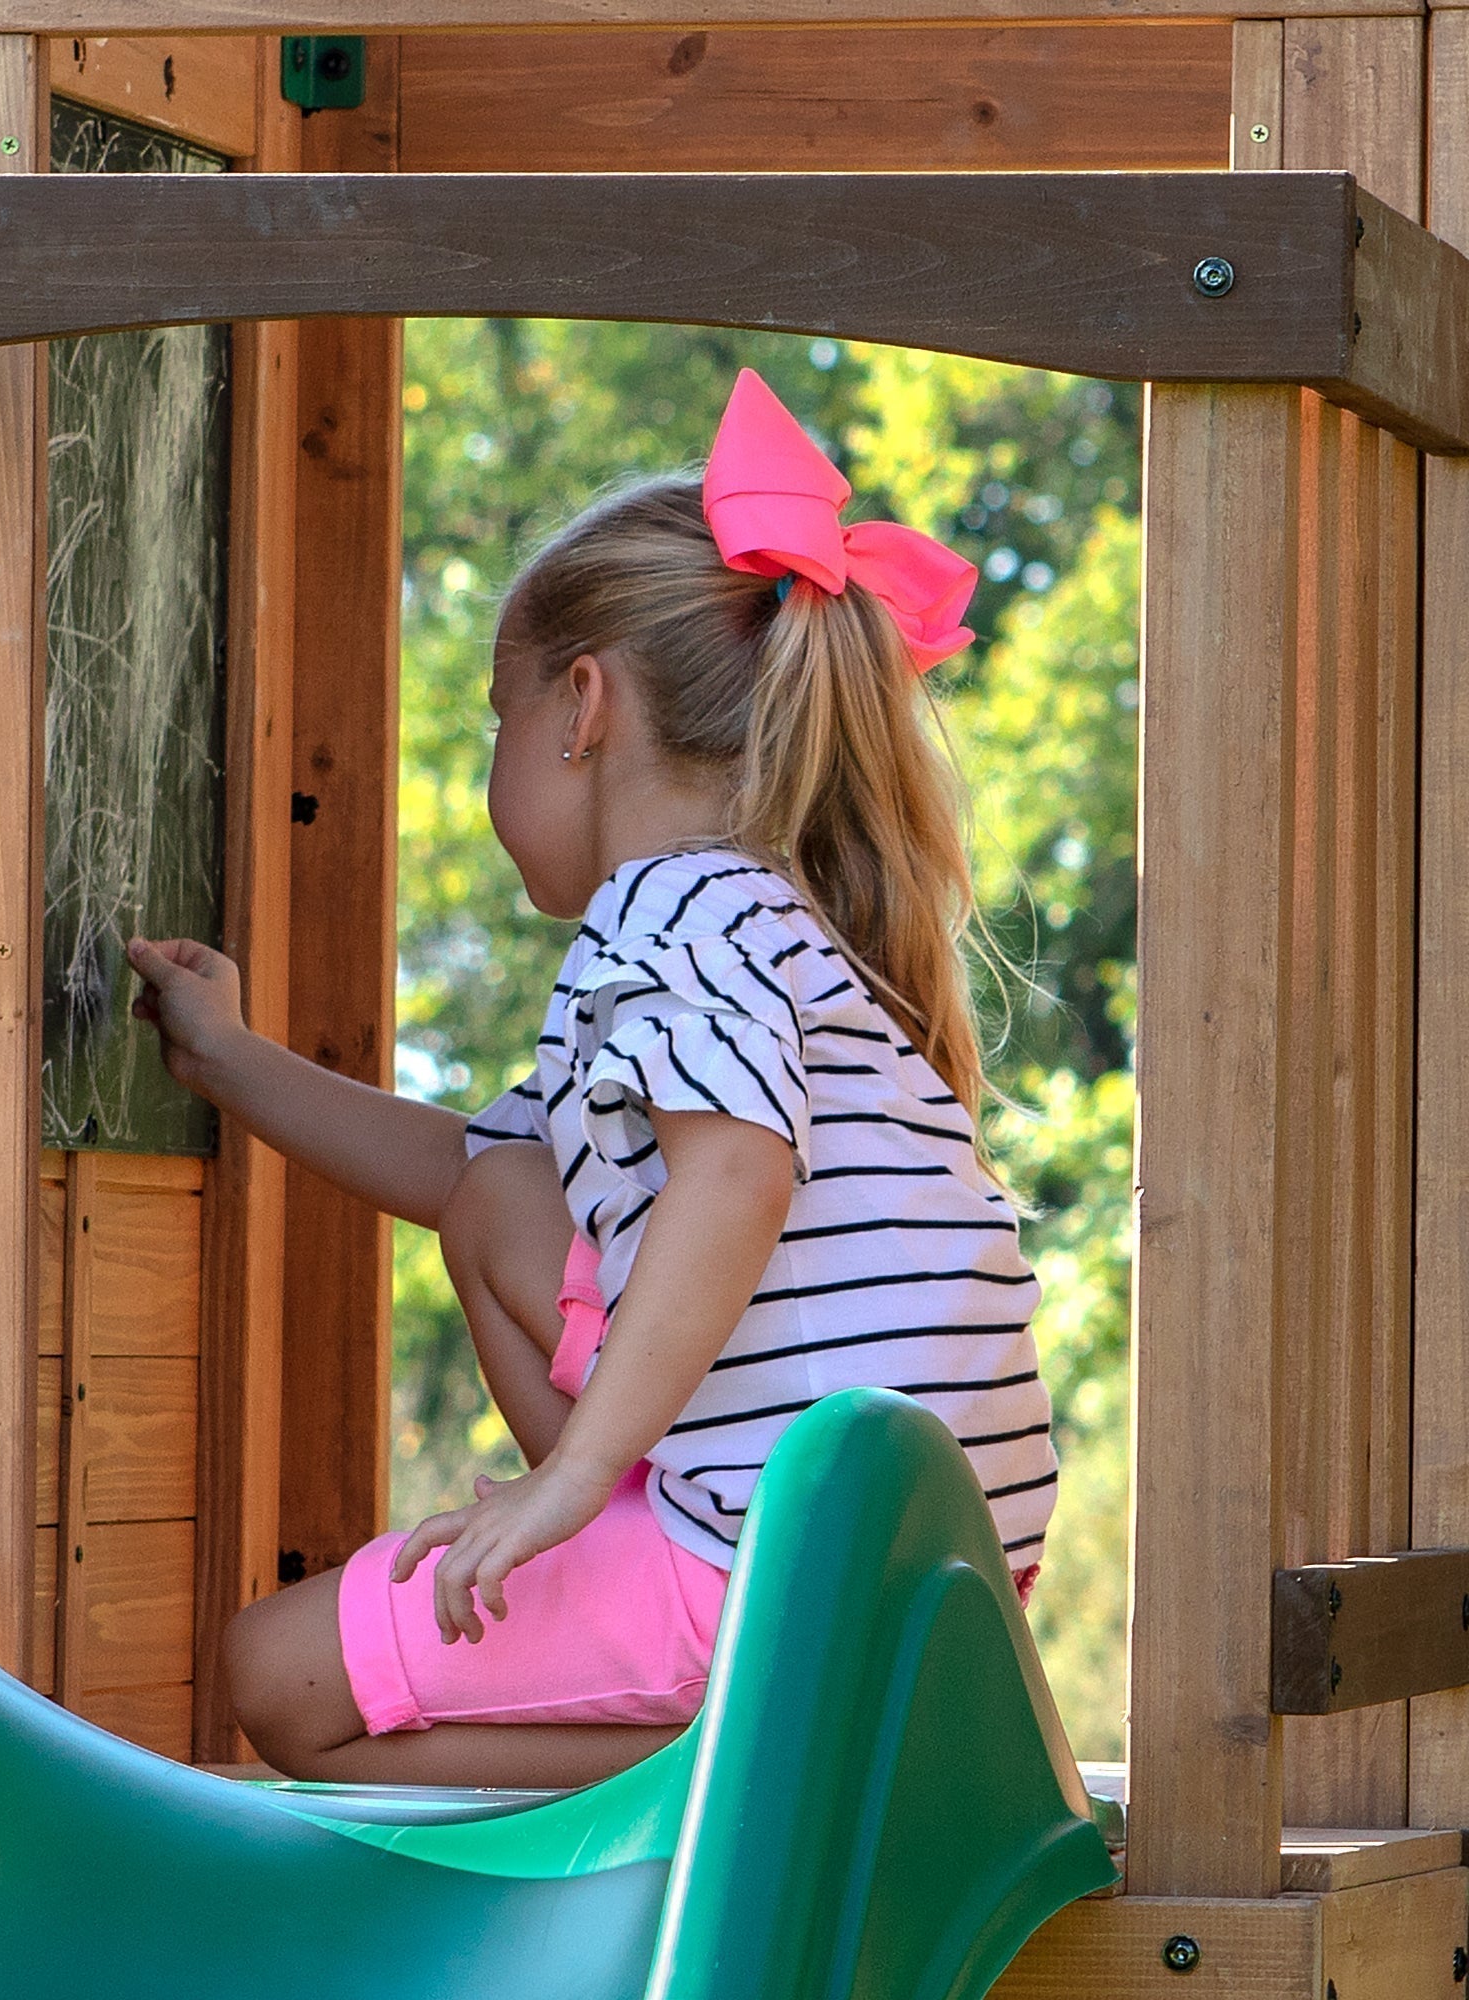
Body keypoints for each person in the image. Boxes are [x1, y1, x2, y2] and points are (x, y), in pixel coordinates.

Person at [126, 368, 1057, 1790]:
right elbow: (467, 1175)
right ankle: (717, 1727)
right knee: (503, 1193)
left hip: (774, 1576)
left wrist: (563, 1486)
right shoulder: (769, 927)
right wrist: (231, 1062)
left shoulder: (673, 914)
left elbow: (738, 1174)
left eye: (495, 715)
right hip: (927, 1582)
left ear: (582, 709)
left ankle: (706, 1783)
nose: (497, 756)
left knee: (281, 1680)